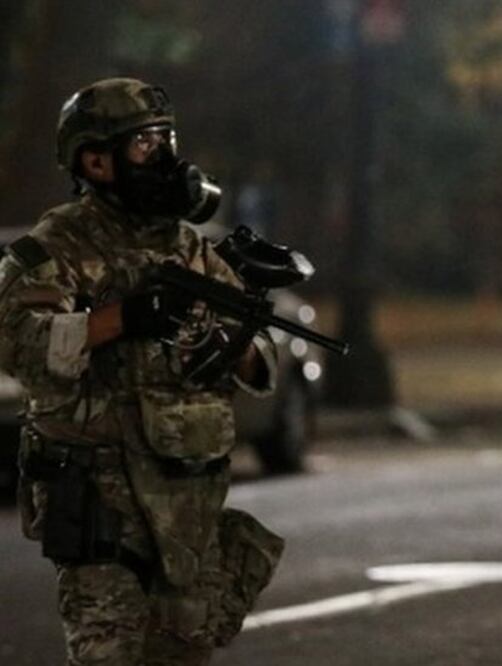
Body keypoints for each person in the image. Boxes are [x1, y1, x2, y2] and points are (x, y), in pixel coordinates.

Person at [0, 77, 285, 665]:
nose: (165, 156)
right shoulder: (59, 243)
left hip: (184, 504)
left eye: (166, 138)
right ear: (97, 161)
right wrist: (124, 317)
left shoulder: (189, 248)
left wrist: (231, 346)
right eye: (145, 144)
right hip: (101, 504)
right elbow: (21, 345)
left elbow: (262, 359)